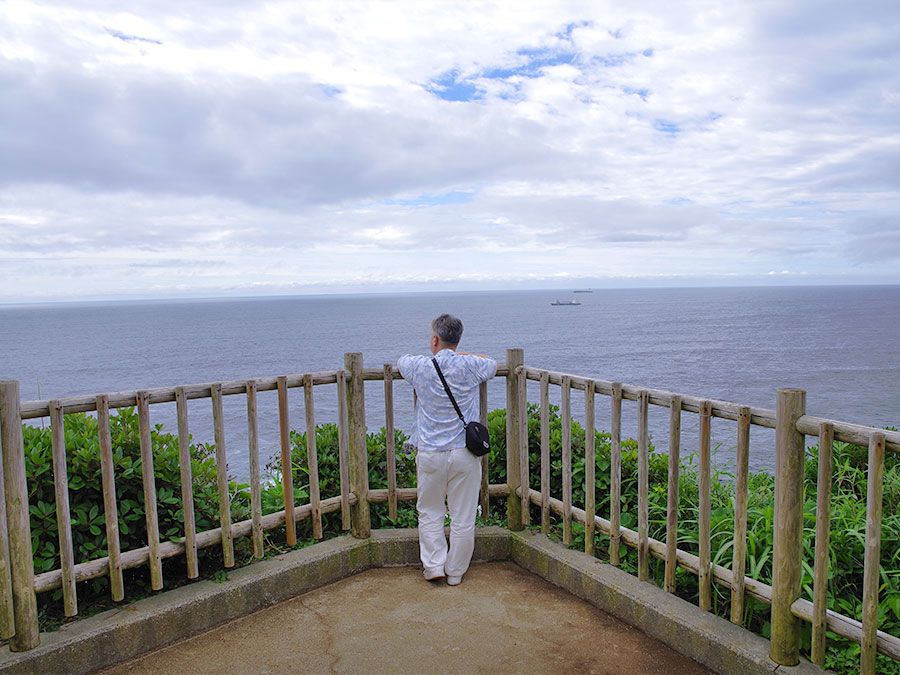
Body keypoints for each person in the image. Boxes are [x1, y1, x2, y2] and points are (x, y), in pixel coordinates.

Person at [398, 314, 497, 586]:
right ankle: (455, 572)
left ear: (433, 339)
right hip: (464, 453)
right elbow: (492, 363)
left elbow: (401, 361)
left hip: (430, 452)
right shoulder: (470, 365)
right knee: (463, 516)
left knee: (430, 511)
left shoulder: (420, 366)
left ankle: (433, 567)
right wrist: (461, 353)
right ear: (458, 340)